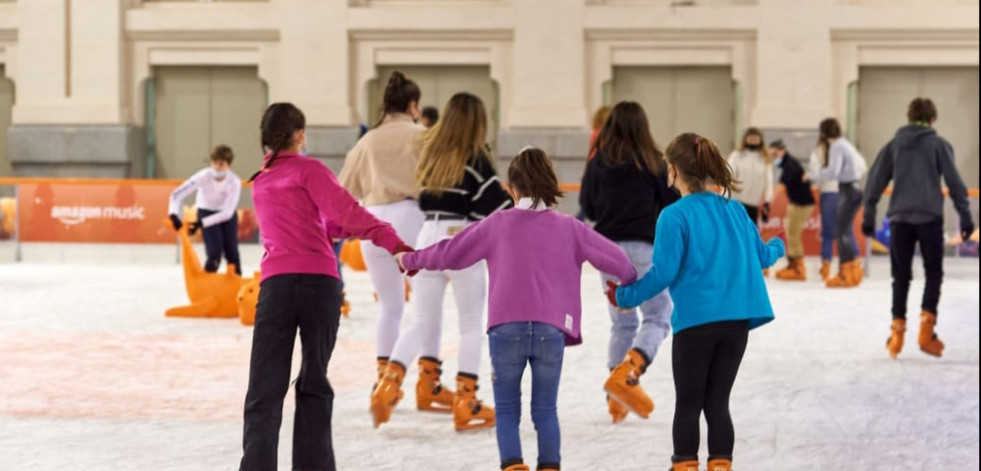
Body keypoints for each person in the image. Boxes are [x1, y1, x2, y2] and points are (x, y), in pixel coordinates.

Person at [396, 147, 637, 471]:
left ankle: (513, 466)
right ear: (551, 184)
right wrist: (624, 287)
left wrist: (411, 260)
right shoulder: (571, 228)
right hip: (551, 330)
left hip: (505, 329)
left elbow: (450, 252)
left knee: (508, 411)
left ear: (511, 188)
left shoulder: (497, 224)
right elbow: (621, 263)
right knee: (546, 411)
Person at [239, 103, 411, 471]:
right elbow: (345, 214)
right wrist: (390, 238)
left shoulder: (262, 180)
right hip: (319, 286)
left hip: (277, 290)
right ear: (299, 134)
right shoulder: (310, 170)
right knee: (314, 382)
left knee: (264, 390)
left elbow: (323, 225)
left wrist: (357, 230)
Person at [607, 133, 783, 471]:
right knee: (717, 403)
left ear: (673, 171)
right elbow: (762, 255)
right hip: (736, 324)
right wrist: (778, 246)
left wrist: (624, 296)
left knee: (688, 404)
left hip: (696, 324)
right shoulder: (735, 211)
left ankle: (685, 465)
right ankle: (720, 466)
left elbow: (663, 273)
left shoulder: (674, 216)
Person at [371, 92, 513, 431]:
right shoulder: (476, 159)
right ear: (478, 122)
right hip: (461, 240)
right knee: (469, 325)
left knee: (420, 322)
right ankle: (467, 400)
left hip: (427, 236)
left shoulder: (430, 156)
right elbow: (496, 209)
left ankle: (388, 384)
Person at [579, 101, 678, 423]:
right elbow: (672, 203)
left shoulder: (598, 162)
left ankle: (616, 399)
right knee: (659, 315)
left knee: (622, 322)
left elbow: (588, 208)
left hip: (607, 251)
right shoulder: (652, 161)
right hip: (643, 251)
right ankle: (629, 370)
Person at [863, 97, 975, 359]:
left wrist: (869, 214)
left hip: (901, 219)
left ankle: (897, 334)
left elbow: (875, 181)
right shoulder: (939, 145)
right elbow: (955, 183)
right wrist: (966, 217)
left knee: (900, 277)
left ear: (909, 117)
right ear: (932, 119)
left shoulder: (894, 145)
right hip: (929, 218)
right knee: (933, 273)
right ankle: (927, 331)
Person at [339, 71, 429, 394]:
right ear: (413, 105)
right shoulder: (422, 136)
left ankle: (382, 375)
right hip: (412, 219)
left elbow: (344, 190)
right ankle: (424, 378)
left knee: (390, 306)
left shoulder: (367, 140)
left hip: (372, 221)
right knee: (425, 304)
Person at [168, 144, 243, 275]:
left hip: (226, 215)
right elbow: (176, 195)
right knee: (214, 253)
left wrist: (202, 223)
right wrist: (173, 214)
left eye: (221, 164)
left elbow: (227, 213)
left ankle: (237, 284)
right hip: (206, 211)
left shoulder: (234, 182)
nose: (217, 167)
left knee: (232, 253)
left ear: (229, 166)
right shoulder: (203, 176)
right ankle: (206, 282)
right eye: (214, 163)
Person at [812, 118, 867, 288]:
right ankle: (853, 271)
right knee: (844, 230)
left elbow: (833, 172)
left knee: (840, 231)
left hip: (847, 190)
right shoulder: (846, 144)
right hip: (854, 189)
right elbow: (862, 166)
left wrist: (815, 175)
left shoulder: (836, 146)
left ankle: (846, 272)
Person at [769, 140, 816, 281]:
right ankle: (792, 264)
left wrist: (768, 200)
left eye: (775, 154)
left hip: (802, 204)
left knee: (793, 234)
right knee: (790, 233)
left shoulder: (790, 165)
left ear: (782, 151)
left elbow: (779, 187)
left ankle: (798, 268)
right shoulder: (787, 164)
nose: (773, 157)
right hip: (797, 202)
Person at [728, 128, 774, 226]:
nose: (753, 139)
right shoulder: (737, 155)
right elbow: (728, 176)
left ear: (760, 140)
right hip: (736, 201)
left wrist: (767, 202)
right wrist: (724, 198)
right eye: (751, 136)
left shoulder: (765, 157)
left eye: (756, 137)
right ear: (745, 139)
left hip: (753, 203)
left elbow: (769, 181)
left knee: (751, 234)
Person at [810, 142, 840, 281]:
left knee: (828, 232)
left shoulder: (818, 150)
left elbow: (814, 173)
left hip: (828, 193)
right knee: (845, 231)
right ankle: (850, 265)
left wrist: (815, 183)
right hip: (844, 192)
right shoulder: (843, 148)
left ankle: (826, 265)